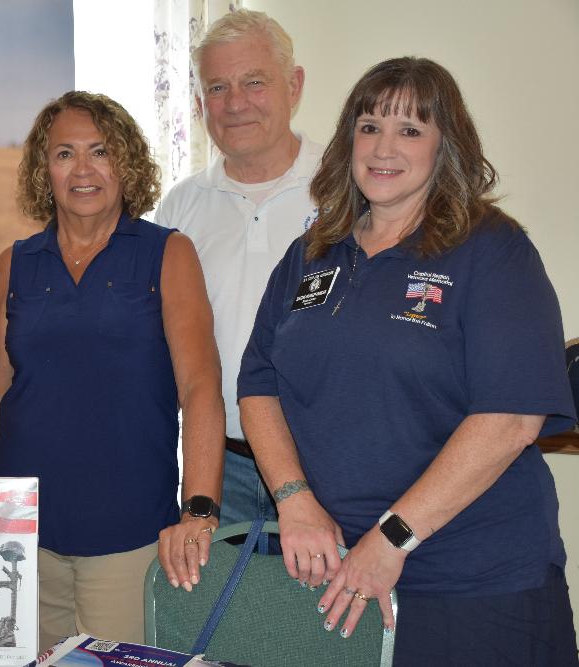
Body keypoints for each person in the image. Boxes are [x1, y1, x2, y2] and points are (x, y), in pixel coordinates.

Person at [237, 57, 578, 664]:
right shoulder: (313, 253)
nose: (383, 148)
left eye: (411, 130)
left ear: (446, 147)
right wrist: (293, 499)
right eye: (369, 126)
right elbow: (258, 381)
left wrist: (393, 537)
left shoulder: (493, 250)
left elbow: (510, 419)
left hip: (474, 579)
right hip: (342, 572)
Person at [0, 91, 224, 651]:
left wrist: (200, 510)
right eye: (65, 154)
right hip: (22, 539)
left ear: (126, 164)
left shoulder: (167, 254)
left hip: (128, 536)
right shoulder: (15, 263)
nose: (83, 170)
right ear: (44, 169)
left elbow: (201, 389)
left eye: (100, 151)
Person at [155, 9, 322, 527]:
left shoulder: (346, 190)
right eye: (217, 88)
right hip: (218, 470)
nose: (235, 103)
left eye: (254, 82)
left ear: (294, 85)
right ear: (198, 102)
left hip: (325, 465)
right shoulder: (180, 208)